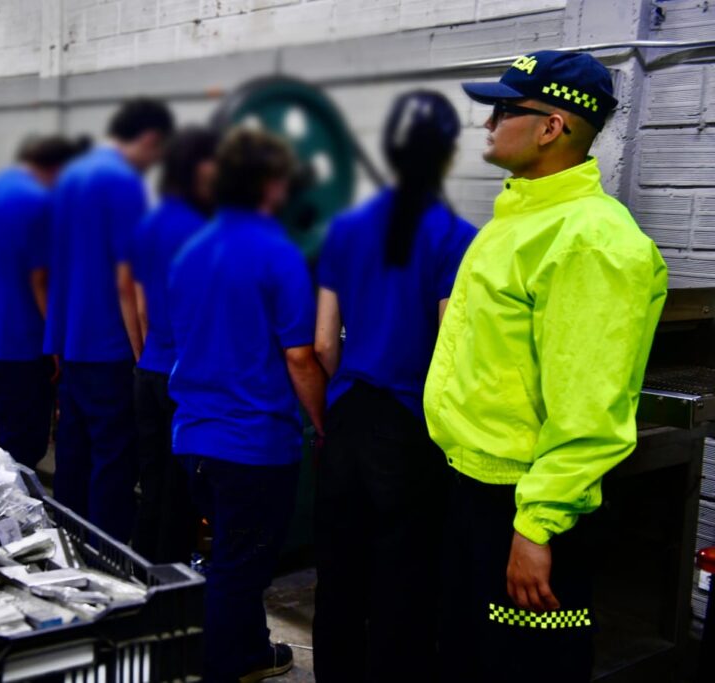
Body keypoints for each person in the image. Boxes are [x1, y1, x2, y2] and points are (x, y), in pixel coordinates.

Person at [425, 51, 668, 682]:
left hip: (526, 507)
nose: (487, 124)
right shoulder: (519, 220)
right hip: (475, 491)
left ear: (552, 127)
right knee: (469, 657)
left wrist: (537, 529)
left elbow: (589, 409)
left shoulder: (592, 242)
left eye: (503, 110)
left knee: (525, 665)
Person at [310, 91, 476, 681]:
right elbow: (450, 346)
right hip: (410, 422)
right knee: (403, 577)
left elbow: (323, 341)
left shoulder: (344, 230)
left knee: (339, 571)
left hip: (346, 414)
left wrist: (339, 399)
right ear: (447, 156)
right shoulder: (457, 236)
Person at [168, 128, 327, 682]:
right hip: (254, 445)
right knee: (240, 569)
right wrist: (323, 422)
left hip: (194, 437)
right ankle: (220, 669)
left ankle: (253, 654)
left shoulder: (190, 251)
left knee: (232, 559)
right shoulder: (278, 254)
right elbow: (301, 356)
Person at [43, 98, 174, 541]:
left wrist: (56, 339)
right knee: (113, 460)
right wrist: (142, 352)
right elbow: (127, 278)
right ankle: (106, 556)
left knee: (74, 453)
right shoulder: (122, 183)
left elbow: (57, 263)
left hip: (72, 341)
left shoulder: (71, 176)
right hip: (109, 344)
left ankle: (65, 544)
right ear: (150, 139)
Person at [0, 136, 86, 469]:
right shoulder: (39, 202)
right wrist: (56, 343)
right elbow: (39, 279)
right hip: (20, 344)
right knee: (20, 450)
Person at [130, 126, 218, 564]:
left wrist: (146, 355)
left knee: (153, 485)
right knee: (181, 494)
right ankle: (172, 584)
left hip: (150, 368)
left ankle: (141, 572)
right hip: (184, 378)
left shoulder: (150, 222)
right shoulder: (202, 230)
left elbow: (140, 304)